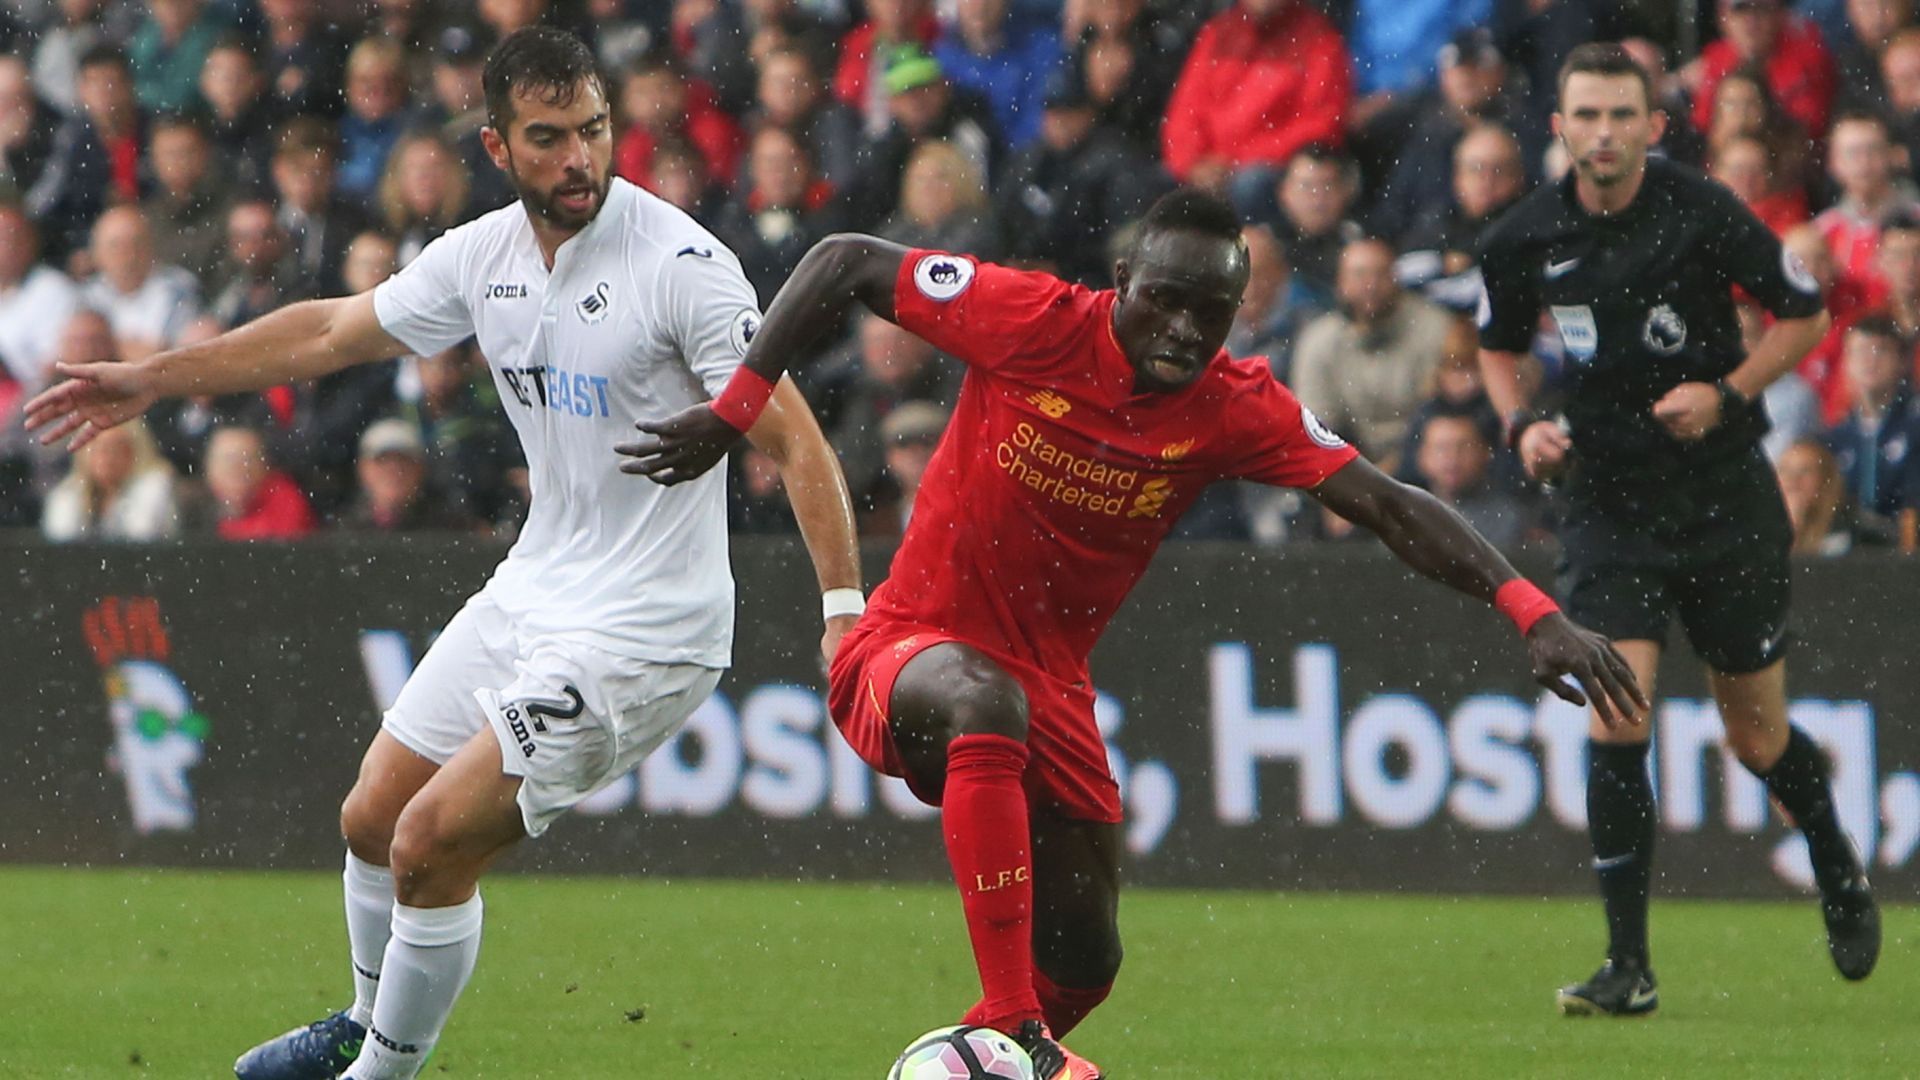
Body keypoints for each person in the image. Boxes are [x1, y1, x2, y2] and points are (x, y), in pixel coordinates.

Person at [619, 187, 1647, 1080]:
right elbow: (842, 259)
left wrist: (1533, 609)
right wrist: (733, 407)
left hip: (1051, 690)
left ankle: (987, 1051)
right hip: (905, 650)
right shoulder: (1029, 317)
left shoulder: (1236, 405)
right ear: (1123, 281)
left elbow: (1385, 503)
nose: (1187, 329)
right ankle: (1012, 1030)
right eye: (1167, 298)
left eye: (1216, 311)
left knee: (1089, 960)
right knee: (985, 703)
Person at [26, 27, 861, 1080]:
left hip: (645, 631)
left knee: (430, 843)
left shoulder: (682, 267)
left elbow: (796, 438)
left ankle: (381, 1072)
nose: (579, 161)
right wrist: (153, 377)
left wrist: (843, 613)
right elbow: (331, 332)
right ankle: (363, 1023)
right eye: (549, 138)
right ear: (496, 146)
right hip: (533, 589)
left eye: (594, 131)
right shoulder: (483, 257)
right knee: (371, 816)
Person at [1475, 43, 1880, 1018]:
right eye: (1587, 116)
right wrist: (1520, 424)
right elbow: (1495, 345)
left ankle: (1836, 864)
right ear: (1559, 127)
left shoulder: (1702, 210)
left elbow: (1804, 311)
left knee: (1755, 735)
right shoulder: (1522, 236)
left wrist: (1729, 390)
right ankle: (1629, 967)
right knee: (1619, 707)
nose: (1604, 134)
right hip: (1607, 506)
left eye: (1624, 116)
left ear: (1656, 127)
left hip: (1724, 505)